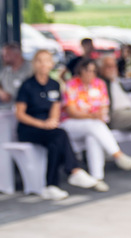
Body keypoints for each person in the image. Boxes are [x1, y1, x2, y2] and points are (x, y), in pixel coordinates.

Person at [15, 49, 99, 200]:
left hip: (48, 129)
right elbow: (20, 114)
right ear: (34, 64)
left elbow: (55, 109)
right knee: (60, 135)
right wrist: (42, 124)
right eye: (39, 60)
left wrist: (52, 121)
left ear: (52, 64)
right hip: (29, 127)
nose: (43, 64)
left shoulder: (54, 85)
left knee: (56, 140)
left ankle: (51, 185)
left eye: (47, 60)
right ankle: (73, 170)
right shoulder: (27, 86)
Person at [60, 58, 131, 191]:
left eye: (93, 71)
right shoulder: (71, 85)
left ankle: (97, 178)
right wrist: (92, 116)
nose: (91, 74)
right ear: (80, 71)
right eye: (88, 71)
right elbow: (72, 111)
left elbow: (104, 106)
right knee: (94, 126)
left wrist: (97, 115)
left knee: (93, 137)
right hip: (71, 124)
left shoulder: (99, 84)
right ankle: (118, 155)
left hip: (93, 124)